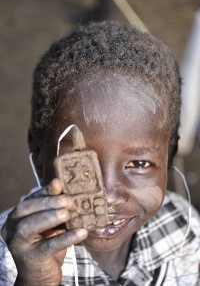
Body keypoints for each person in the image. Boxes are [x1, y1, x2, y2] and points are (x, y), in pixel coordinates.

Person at [0, 21, 199, 286]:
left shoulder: (185, 229)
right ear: (37, 152)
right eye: (79, 165)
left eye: (139, 163)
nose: (107, 196)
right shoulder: (11, 257)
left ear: (169, 156)